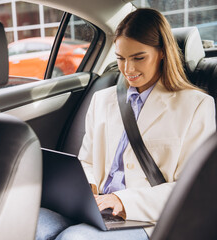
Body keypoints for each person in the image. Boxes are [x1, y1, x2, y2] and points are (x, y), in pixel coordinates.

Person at [36, 8, 216, 240]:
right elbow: (87, 161)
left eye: (138, 58)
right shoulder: (102, 100)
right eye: (121, 58)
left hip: (146, 218)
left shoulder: (196, 105)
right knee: (29, 223)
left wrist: (122, 200)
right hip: (97, 208)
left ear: (162, 52)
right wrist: (86, 187)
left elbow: (193, 190)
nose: (128, 70)